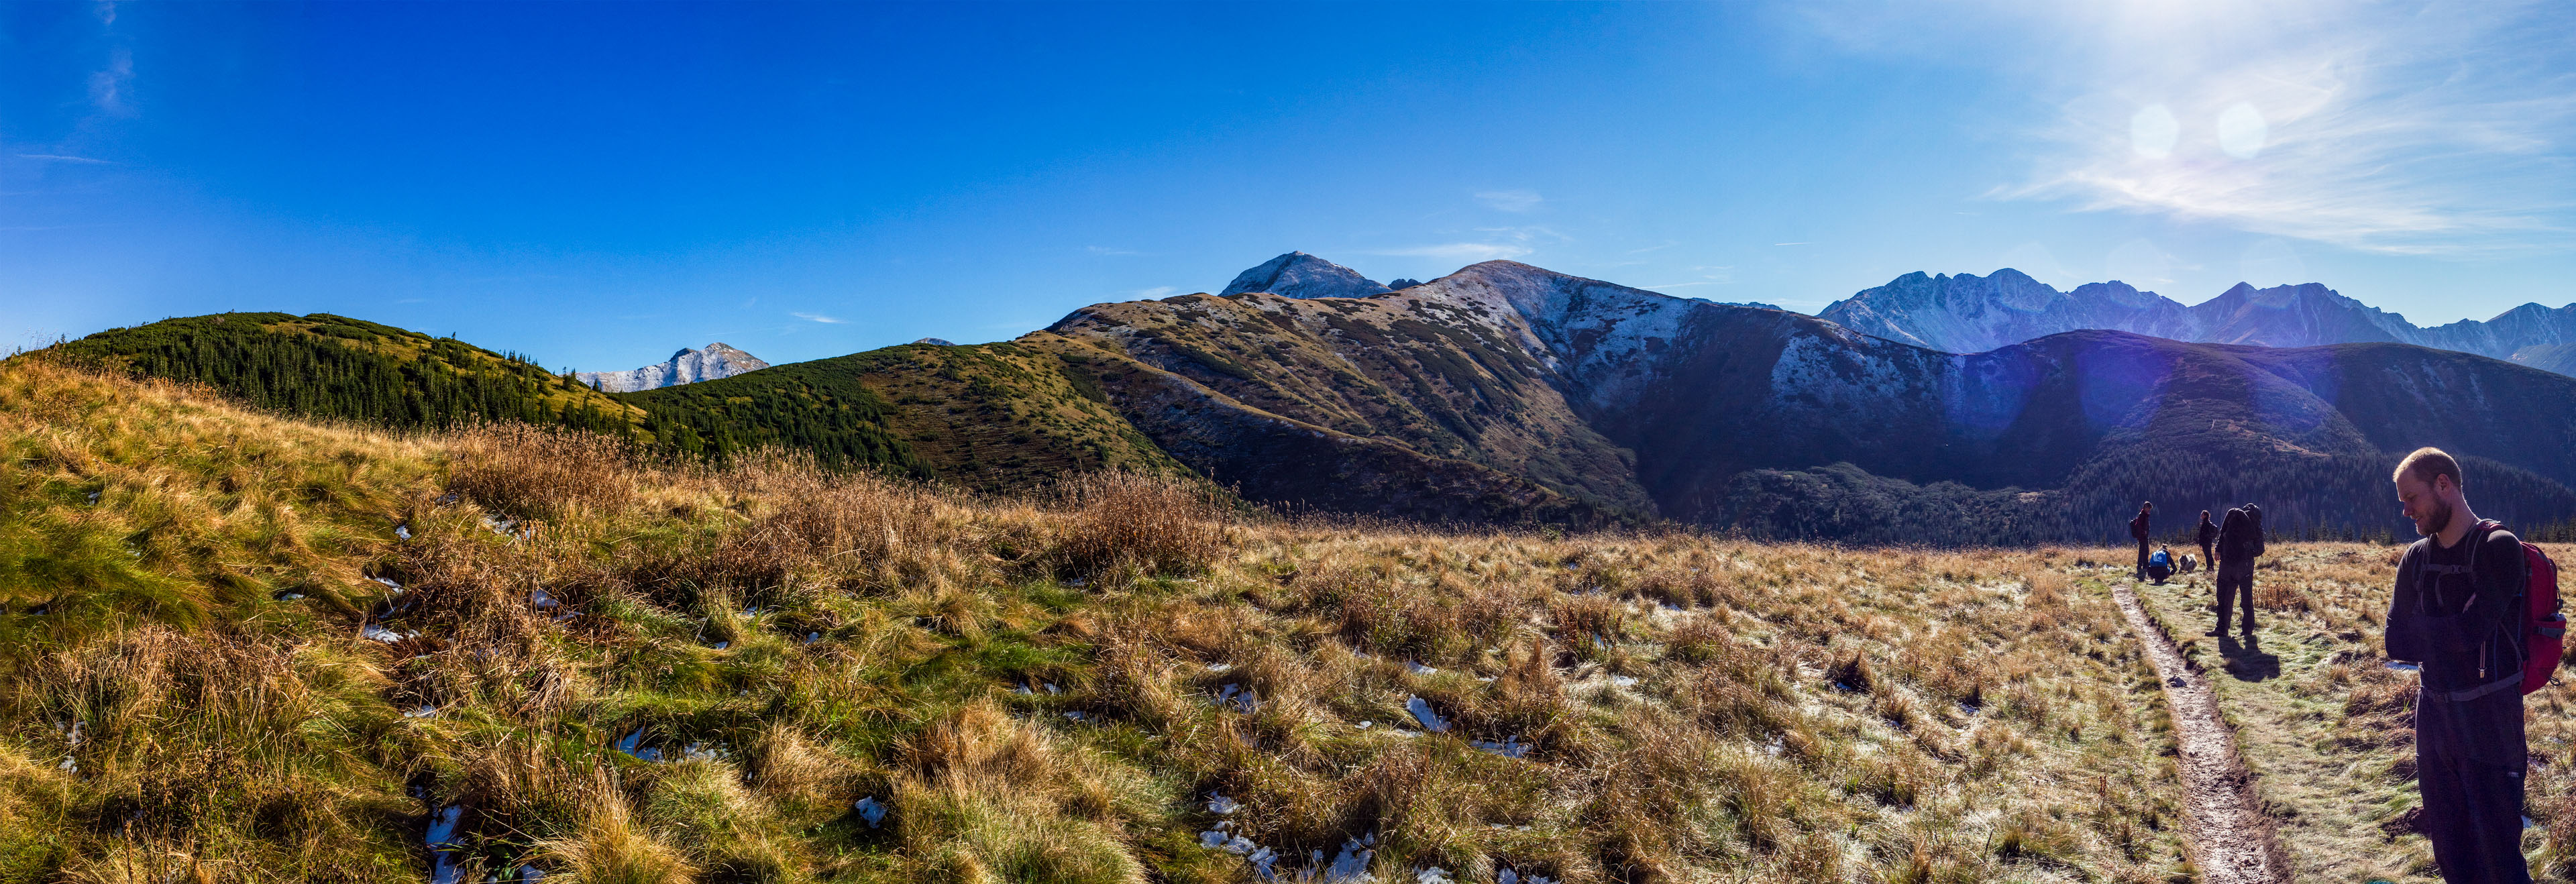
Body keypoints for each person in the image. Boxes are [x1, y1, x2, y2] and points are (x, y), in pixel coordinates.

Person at [2385, 447, 2532, 884]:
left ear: (2444, 485)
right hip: (2433, 722)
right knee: (2451, 855)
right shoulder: (2415, 558)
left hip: (2490, 724)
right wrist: (2454, 628)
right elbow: (2396, 642)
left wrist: (2428, 631)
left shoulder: (2499, 548)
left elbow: (2474, 632)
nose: (2407, 511)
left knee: (2500, 861)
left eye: (2411, 498)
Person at [2211, 504, 2260, 635]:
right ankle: (2247, 631)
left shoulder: (2232, 515)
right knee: (2246, 599)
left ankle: (2222, 628)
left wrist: (2218, 550)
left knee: (2224, 597)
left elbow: (2222, 533)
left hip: (2229, 564)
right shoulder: (2250, 524)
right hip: (2246, 565)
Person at [2130, 501, 2153, 580]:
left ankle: (2145, 568)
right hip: (2143, 537)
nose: (2149, 510)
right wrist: (2144, 532)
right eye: (2149, 508)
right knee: (2142, 552)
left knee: (2146, 552)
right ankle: (2140, 568)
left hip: (2144, 537)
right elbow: (2138, 526)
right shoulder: (2142, 515)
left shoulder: (2145, 515)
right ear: (2145, 507)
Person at [2196, 510, 2218, 579]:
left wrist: (2201, 542)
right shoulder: (2207, 523)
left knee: (2208, 555)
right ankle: (2210, 568)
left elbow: (2202, 534)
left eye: (2202, 514)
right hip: (2208, 542)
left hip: (2206, 542)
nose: (2201, 516)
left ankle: (2210, 568)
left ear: (2205, 516)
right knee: (2208, 555)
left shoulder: (2206, 523)